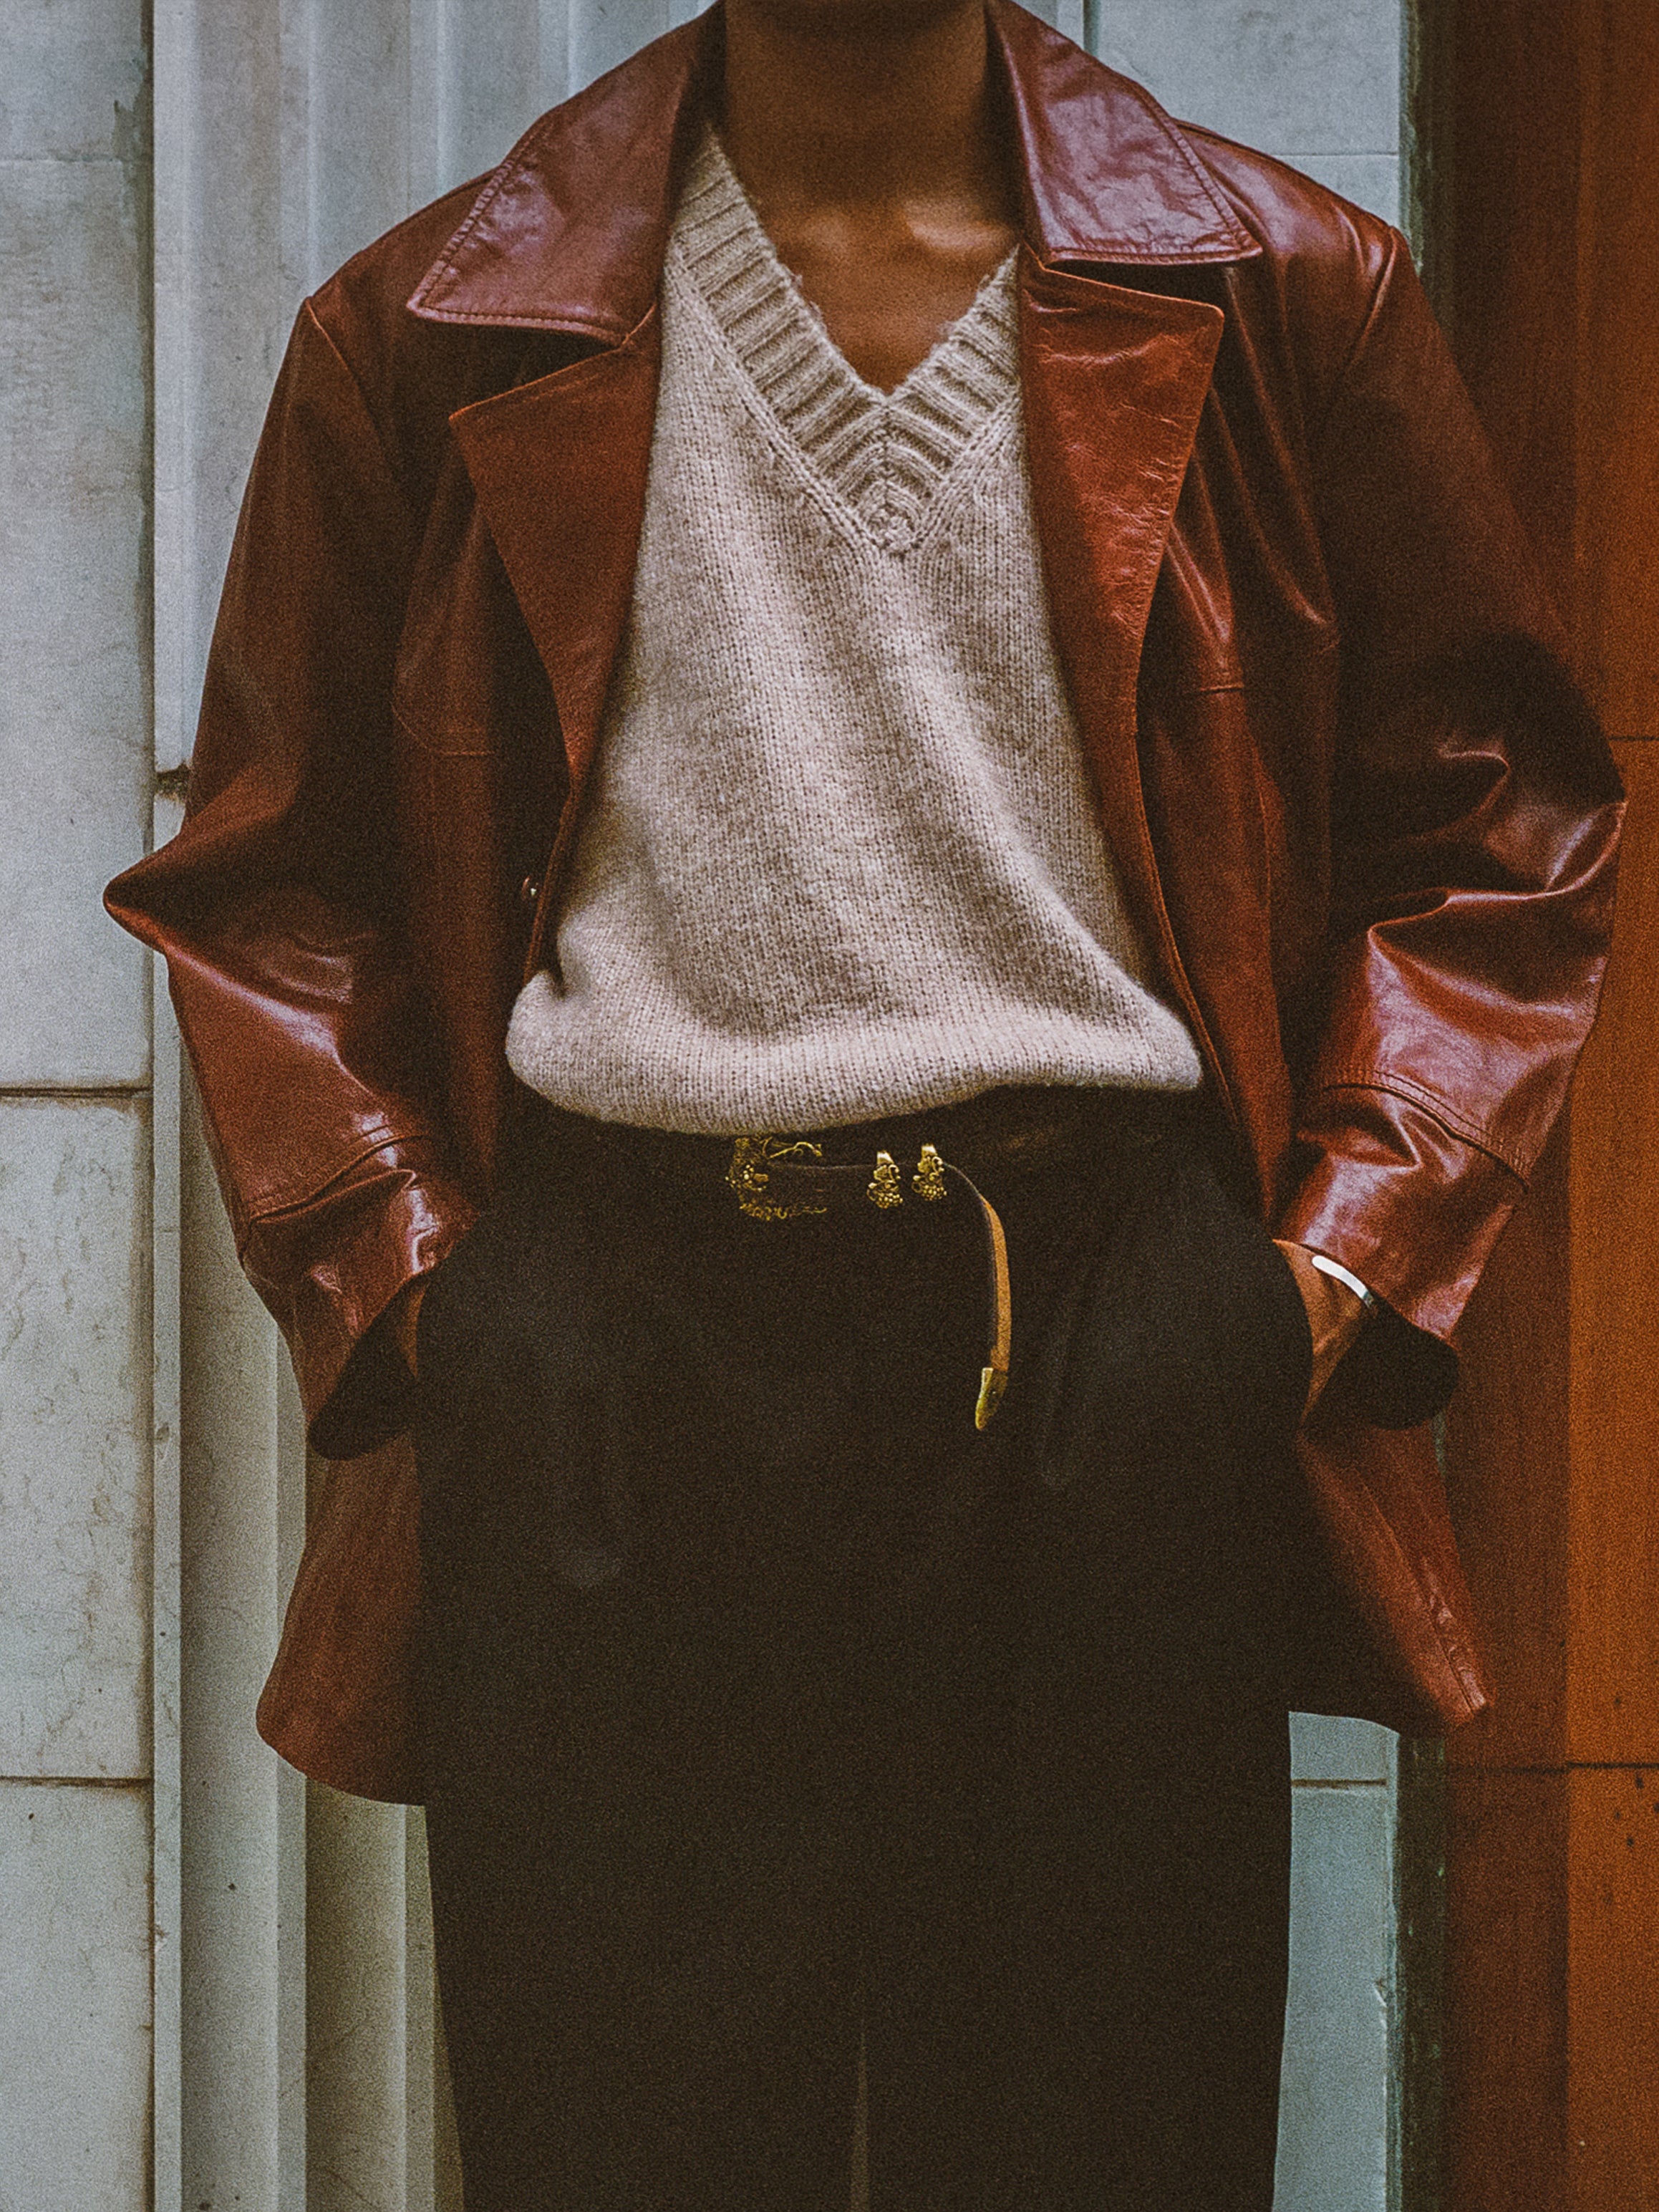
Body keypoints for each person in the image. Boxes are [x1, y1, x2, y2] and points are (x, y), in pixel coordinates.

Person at [107, 1, 1624, 2205]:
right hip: (613, 1355)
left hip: (1108, 1328)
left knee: (1102, 2146)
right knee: (621, 2153)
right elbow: (268, 876)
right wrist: (438, 1301)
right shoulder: (439, 325)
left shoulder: (1281, 290)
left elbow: (1502, 830)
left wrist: (1307, 1282)